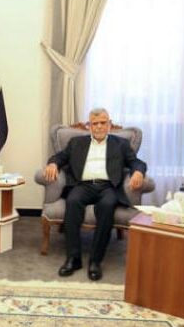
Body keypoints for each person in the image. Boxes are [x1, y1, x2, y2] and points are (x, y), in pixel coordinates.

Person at [43, 108, 146, 281]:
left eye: (102, 123)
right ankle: (73, 258)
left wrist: (138, 172)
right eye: (95, 123)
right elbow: (60, 157)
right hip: (83, 185)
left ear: (109, 124)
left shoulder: (120, 144)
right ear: (89, 125)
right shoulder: (77, 142)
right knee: (72, 201)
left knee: (107, 205)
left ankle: (95, 261)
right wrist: (53, 164)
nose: (99, 126)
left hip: (108, 187)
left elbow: (136, 162)